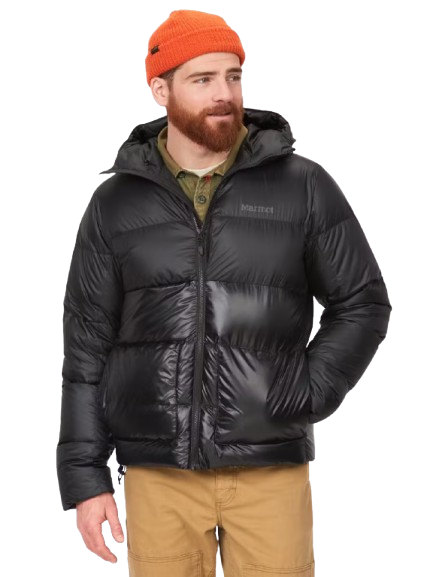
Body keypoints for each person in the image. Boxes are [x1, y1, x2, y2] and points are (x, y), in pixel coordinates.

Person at [56, 9, 392, 577]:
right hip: (158, 474)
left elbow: (362, 302)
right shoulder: (115, 205)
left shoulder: (302, 185)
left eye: (233, 76)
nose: (224, 93)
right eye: (203, 79)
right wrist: (86, 478)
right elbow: (86, 347)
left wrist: (303, 392)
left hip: (269, 470)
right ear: (160, 89)